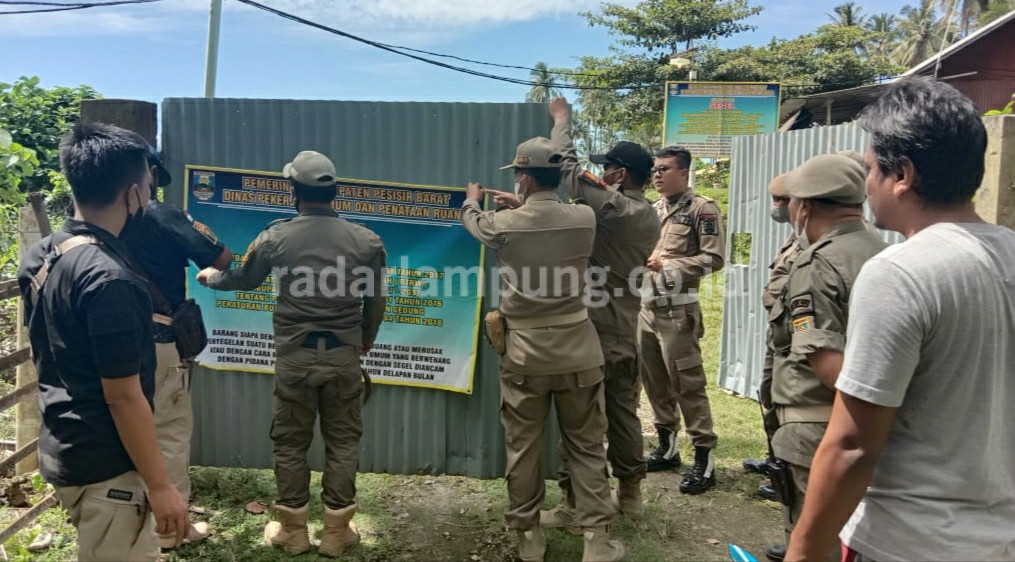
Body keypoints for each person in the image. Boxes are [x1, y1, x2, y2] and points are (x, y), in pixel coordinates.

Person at [786, 78, 1015, 562]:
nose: (866, 186)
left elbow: (852, 446)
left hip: (909, 539)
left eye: (870, 169)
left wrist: (803, 551)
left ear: (903, 174)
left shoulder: (901, 272)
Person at [197, 150, 386, 558]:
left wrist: (212, 278)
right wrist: (365, 339)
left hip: (295, 358)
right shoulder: (367, 240)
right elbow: (376, 301)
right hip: (343, 357)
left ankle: (293, 532)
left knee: (290, 442)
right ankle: (337, 533)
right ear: (334, 192)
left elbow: (244, 280)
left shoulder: (276, 237)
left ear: (293, 192)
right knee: (343, 442)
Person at [17, 122, 190, 561]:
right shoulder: (110, 280)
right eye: (149, 187)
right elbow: (123, 398)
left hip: (65, 442)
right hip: (108, 467)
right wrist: (160, 485)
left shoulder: (46, 254)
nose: (149, 197)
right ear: (133, 193)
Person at [493, 97, 659, 524]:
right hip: (625, 327)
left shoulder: (612, 206)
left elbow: (566, 169)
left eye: (608, 169)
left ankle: (571, 504)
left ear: (620, 175)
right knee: (623, 414)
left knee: (581, 424)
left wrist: (561, 121)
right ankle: (631, 494)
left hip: (589, 332)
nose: (601, 174)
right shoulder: (647, 215)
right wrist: (527, 213)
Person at [461, 137, 624, 562]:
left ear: (526, 177)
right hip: (579, 353)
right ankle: (597, 540)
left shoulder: (502, 226)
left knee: (524, 447)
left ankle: (529, 536)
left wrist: (471, 201)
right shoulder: (584, 217)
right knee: (587, 445)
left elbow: (477, 225)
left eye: (518, 175)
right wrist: (524, 207)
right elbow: (549, 227)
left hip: (525, 357)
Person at [765, 153, 888, 562]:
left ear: (805, 206)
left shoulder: (818, 263)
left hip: (819, 426)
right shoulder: (881, 251)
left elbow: (825, 360)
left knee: (815, 540)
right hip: (874, 430)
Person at [123, 144, 232, 549]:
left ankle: (125, 527)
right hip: (158, 340)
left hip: (105, 341)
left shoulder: (91, 221)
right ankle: (168, 533)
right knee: (167, 433)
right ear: (147, 173)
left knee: (119, 431)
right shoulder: (161, 214)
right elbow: (221, 258)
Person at [638, 146, 725, 494]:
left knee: (687, 384)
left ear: (684, 172)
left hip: (678, 311)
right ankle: (667, 446)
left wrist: (670, 266)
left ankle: (704, 458)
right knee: (654, 381)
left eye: (665, 169)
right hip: (645, 308)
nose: (657, 175)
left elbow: (714, 258)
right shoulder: (653, 209)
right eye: (655, 170)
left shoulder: (702, 208)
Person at [744, 172, 798, 505]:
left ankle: (789, 472)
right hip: (778, 334)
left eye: (783, 201)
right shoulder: (795, 236)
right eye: (773, 200)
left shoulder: (816, 240)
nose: (776, 207)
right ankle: (776, 463)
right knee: (769, 393)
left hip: (796, 338)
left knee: (790, 405)